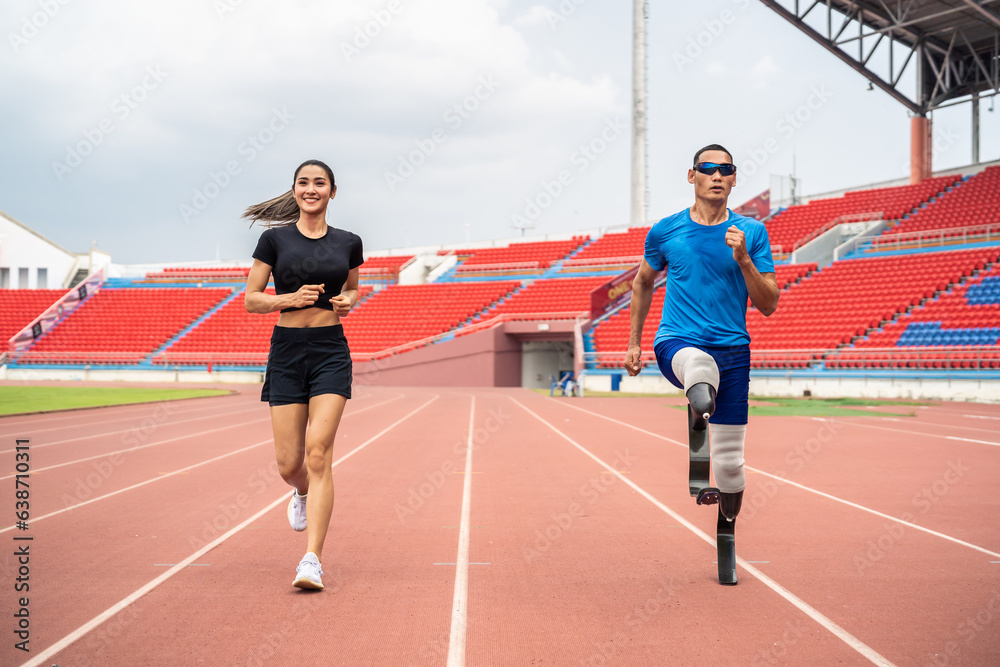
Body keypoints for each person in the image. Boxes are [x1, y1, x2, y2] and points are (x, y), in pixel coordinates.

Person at [623, 144, 778, 584]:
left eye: (725, 169)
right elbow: (642, 283)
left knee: (730, 466)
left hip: (735, 351)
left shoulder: (752, 233)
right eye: (708, 169)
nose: (716, 175)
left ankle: (726, 527)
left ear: (733, 179)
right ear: (691, 176)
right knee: (699, 369)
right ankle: (699, 408)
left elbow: (768, 304)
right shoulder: (666, 231)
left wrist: (745, 260)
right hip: (678, 342)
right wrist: (634, 344)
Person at [243, 159, 364, 590]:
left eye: (320, 183)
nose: (311, 189)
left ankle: (311, 559)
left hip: (331, 350)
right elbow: (251, 301)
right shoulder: (274, 240)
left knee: (318, 453)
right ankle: (301, 492)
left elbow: (352, 287)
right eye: (303, 182)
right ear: (294, 190)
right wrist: (289, 299)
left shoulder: (349, 242)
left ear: (333, 191)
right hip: (287, 353)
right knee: (289, 463)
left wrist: (349, 299)